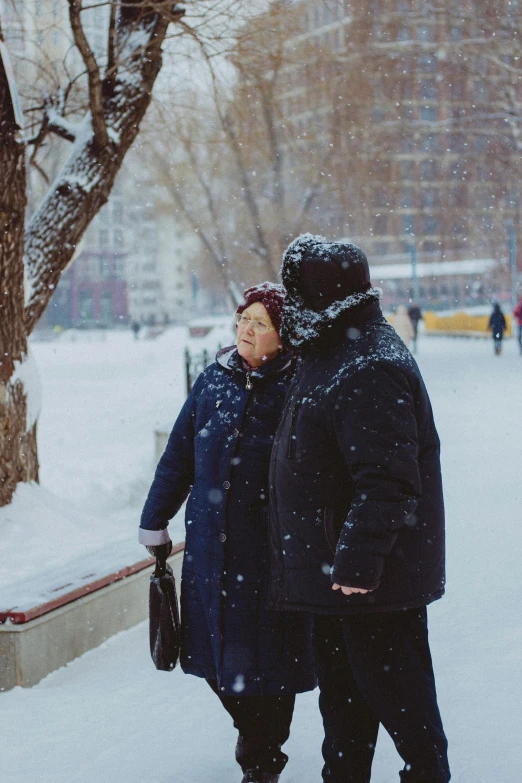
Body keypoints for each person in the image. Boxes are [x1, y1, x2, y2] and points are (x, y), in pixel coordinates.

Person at [268, 234, 450, 783]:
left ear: (323, 291)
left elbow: (389, 481)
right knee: (344, 711)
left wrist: (355, 564)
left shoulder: (367, 362)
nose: (290, 302)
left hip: (369, 583)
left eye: (296, 290)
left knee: (402, 705)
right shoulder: (331, 351)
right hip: (338, 579)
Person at [139, 282, 315, 783]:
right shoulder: (212, 380)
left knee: (273, 664)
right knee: (218, 661)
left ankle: (262, 758)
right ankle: (255, 736)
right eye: (242, 319)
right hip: (210, 549)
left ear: (283, 336)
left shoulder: (300, 385)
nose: (246, 329)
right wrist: (155, 519)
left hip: (271, 555)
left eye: (259, 323)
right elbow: (178, 456)